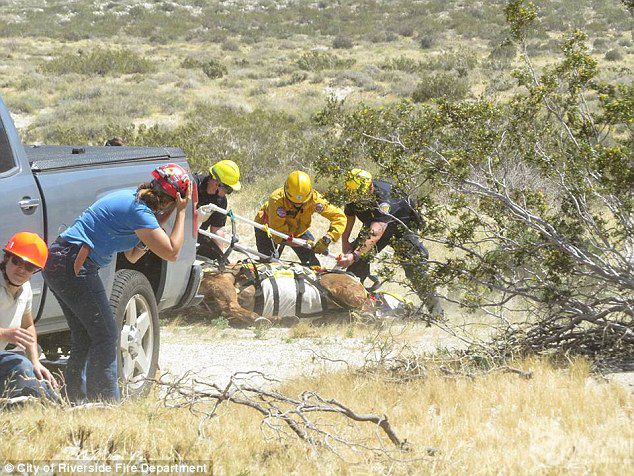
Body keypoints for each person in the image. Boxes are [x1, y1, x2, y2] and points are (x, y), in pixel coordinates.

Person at [43, 164, 192, 403]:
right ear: (172, 199)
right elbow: (172, 252)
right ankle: (104, 402)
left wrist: (169, 212)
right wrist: (182, 213)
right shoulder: (139, 211)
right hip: (74, 264)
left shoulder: (135, 204)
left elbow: (133, 255)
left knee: (85, 335)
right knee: (106, 334)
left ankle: (78, 400)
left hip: (61, 262)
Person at [337, 169, 444, 319]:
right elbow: (349, 216)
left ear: (370, 187)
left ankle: (437, 313)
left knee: (414, 268)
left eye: (360, 196)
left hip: (401, 225)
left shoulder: (385, 199)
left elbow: (376, 232)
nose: (357, 200)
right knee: (356, 266)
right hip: (374, 223)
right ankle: (351, 308)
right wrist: (346, 243)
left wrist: (355, 254)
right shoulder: (354, 191)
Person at [0, 232, 59, 401]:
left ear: (35, 271)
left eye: (30, 267)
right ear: (6, 258)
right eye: (17, 261)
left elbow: (27, 325)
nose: (21, 269)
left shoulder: (25, 289)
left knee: (33, 370)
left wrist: (35, 362)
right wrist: (4, 334)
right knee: (21, 366)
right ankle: (52, 406)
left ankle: (55, 405)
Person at [254, 170, 346, 266]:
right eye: (293, 203)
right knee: (269, 265)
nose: (297, 206)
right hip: (268, 229)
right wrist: (305, 243)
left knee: (313, 265)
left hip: (297, 230)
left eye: (302, 203)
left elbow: (339, 217)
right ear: (286, 192)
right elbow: (278, 236)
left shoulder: (315, 200)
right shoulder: (276, 200)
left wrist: (328, 238)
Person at [194, 160, 241, 264]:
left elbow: (217, 229)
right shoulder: (192, 185)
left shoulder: (221, 200)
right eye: (228, 189)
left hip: (196, 235)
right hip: (174, 231)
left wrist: (221, 258)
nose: (227, 193)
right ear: (216, 183)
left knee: (220, 262)